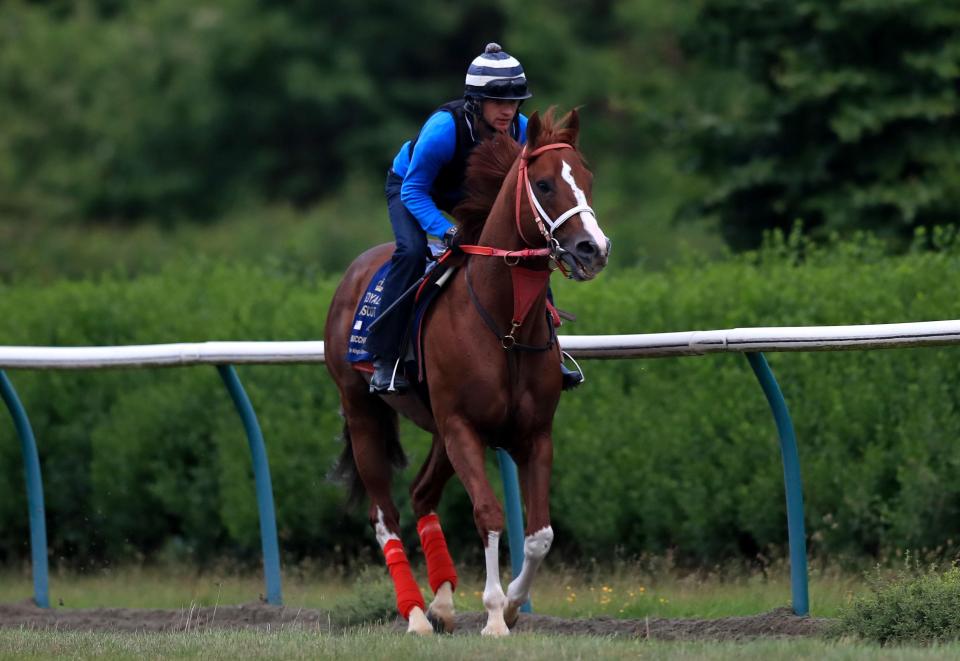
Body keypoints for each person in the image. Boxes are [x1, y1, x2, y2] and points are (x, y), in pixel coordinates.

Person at [365, 43, 583, 394]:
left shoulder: (524, 131)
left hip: (469, 193)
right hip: (414, 186)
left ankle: (550, 352)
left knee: (530, 250)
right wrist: (445, 229)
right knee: (411, 251)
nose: (507, 111)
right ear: (475, 103)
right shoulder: (442, 130)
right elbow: (414, 192)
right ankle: (384, 358)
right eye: (498, 102)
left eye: (514, 103)